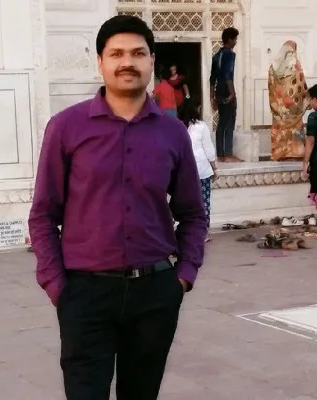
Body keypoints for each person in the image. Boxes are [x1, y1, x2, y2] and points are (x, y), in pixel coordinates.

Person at [28, 15, 207, 400]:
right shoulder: (67, 127)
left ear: (152, 61)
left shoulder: (173, 133)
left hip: (155, 292)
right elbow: (43, 214)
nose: (128, 62)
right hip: (85, 293)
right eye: (117, 54)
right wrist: (57, 285)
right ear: (100, 62)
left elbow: (193, 212)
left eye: (138, 53)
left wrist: (184, 275)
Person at [178, 97, 218, 242]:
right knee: (204, 202)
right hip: (201, 170)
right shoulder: (201, 126)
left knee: (188, 203)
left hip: (185, 171)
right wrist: (214, 167)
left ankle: (189, 232)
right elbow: (208, 148)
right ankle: (203, 232)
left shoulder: (178, 126)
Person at [269, 40, 310, 161]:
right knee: (295, 128)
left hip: (279, 106)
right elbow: (301, 84)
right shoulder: (296, 65)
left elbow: (271, 85)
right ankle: (295, 153)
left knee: (280, 127)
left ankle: (280, 154)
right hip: (293, 105)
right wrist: (307, 98)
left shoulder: (273, 67)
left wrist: (278, 100)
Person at [210, 27, 242, 163]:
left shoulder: (216, 55)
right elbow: (228, 75)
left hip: (218, 92)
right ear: (230, 40)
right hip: (227, 91)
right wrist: (232, 93)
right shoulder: (230, 54)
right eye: (235, 39)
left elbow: (212, 79)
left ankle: (221, 154)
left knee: (221, 123)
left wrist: (212, 98)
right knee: (229, 121)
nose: (235, 42)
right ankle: (228, 154)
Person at [303, 84, 317, 207]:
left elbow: (310, 141)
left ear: (315, 99)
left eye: (310, 99)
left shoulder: (313, 117)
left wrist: (305, 162)